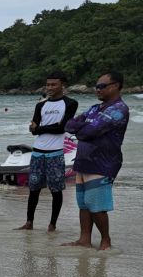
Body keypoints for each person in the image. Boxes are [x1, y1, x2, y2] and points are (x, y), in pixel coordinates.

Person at [63, 71, 129, 250]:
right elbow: (69, 124)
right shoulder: (94, 108)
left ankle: (105, 241)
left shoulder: (118, 110)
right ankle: (84, 239)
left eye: (102, 86)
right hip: (84, 161)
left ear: (115, 86)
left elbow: (88, 132)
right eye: (96, 86)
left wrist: (82, 128)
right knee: (83, 203)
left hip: (103, 162)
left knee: (97, 205)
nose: (97, 90)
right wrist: (84, 127)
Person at [16, 71, 78, 231]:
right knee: (33, 189)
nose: (50, 87)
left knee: (56, 191)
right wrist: (42, 128)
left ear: (62, 85)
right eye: (48, 84)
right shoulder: (41, 105)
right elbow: (33, 130)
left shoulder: (71, 103)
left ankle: (52, 225)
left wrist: (40, 128)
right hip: (37, 153)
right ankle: (29, 222)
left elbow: (61, 128)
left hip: (55, 154)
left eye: (53, 84)